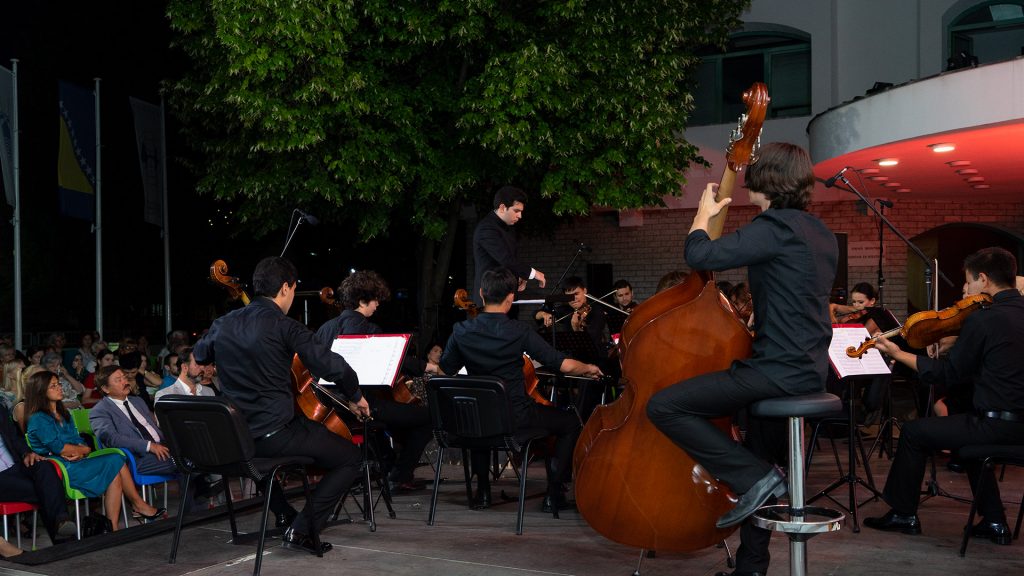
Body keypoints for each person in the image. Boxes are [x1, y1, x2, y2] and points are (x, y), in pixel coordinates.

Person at [646, 142, 837, 576]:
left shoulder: (775, 227)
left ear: (764, 178)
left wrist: (702, 215)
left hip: (776, 373)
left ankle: (753, 479)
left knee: (665, 405)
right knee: (760, 460)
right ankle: (751, 565)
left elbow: (699, 255)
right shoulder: (818, 231)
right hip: (809, 370)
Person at [193, 256, 370, 555]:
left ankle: (285, 513)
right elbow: (333, 367)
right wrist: (356, 396)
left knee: (264, 458)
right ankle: (302, 529)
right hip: (275, 435)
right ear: (287, 288)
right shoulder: (285, 326)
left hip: (237, 438)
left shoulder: (223, 323)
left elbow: (200, 354)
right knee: (350, 457)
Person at [865, 247, 1024, 545]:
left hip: (996, 425)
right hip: (1019, 426)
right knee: (967, 438)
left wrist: (899, 354)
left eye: (969, 282)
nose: (967, 291)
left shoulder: (984, 319)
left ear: (983, 279)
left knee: (913, 432)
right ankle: (994, 521)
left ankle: (903, 514)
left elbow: (948, 374)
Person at [439, 267, 604, 512]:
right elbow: (562, 364)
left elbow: (445, 371)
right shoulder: (518, 331)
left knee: (481, 418)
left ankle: (483, 492)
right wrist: (589, 368)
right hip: (516, 418)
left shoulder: (461, 331)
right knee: (571, 422)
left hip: (475, 420)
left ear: (482, 294)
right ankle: (553, 495)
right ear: (511, 298)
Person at [314, 270, 434, 490]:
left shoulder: (325, 329)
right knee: (427, 418)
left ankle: (388, 464)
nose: (378, 304)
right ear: (362, 301)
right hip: (360, 405)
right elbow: (394, 360)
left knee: (398, 415)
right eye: (375, 299)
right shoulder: (368, 329)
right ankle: (399, 476)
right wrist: (424, 366)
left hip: (331, 408)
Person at [24, 370, 165, 531]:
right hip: (60, 470)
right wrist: (77, 450)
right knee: (115, 459)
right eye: (53, 386)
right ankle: (138, 505)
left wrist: (80, 450)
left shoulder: (64, 414)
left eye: (59, 384)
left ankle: (112, 527)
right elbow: (58, 448)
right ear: (41, 391)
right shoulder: (38, 418)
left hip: (77, 461)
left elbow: (82, 443)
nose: (60, 388)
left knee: (115, 471)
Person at [0, 402, 78, 545]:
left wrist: (27, 453)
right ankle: (65, 541)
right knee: (46, 490)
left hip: (15, 465)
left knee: (44, 466)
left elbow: (15, 438)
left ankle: (62, 522)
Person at [472, 185, 546, 306]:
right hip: (489, 300)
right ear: (502, 207)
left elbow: (510, 261)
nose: (519, 216)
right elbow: (506, 260)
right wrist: (533, 273)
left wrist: (520, 275)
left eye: (521, 212)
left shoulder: (507, 228)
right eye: (516, 211)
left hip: (506, 297)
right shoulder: (486, 229)